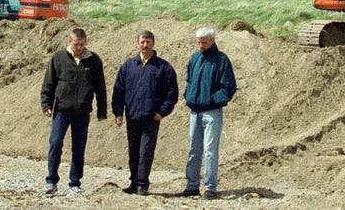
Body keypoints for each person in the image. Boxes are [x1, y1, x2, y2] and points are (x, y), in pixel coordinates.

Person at [40, 28, 107, 197]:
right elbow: (48, 83)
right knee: (55, 145)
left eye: (82, 45)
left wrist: (102, 111)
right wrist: (46, 104)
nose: (79, 48)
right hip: (61, 111)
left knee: (79, 149)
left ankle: (75, 183)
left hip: (82, 112)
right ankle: (51, 181)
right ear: (69, 42)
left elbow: (100, 88)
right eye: (76, 44)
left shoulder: (93, 60)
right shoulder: (58, 58)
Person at [112, 30, 178, 196]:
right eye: (142, 42)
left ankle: (142, 184)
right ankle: (133, 182)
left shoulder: (163, 67)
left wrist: (162, 112)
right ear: (137, 44)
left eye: (148, 42)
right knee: (133, 152)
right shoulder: (128, 66)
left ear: (153, 44)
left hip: (151, 118)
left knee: (145, 153)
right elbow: (118, 90)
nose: (145, 45)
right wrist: (118, 112)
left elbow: (172, 93)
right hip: (132, 116)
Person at [179, 27, 237, 200]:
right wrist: (188, 95)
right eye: (199, 42)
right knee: (193, 150)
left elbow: (229, 88)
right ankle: (192, 186)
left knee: (210, 150)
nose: (201, 45)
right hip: (195, 112)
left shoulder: (222, 60)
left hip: (212, 112)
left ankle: (210, 188)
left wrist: (211, 100)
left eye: (204, 42)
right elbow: (189, 79)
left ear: (212, 41)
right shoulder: (195, 58)